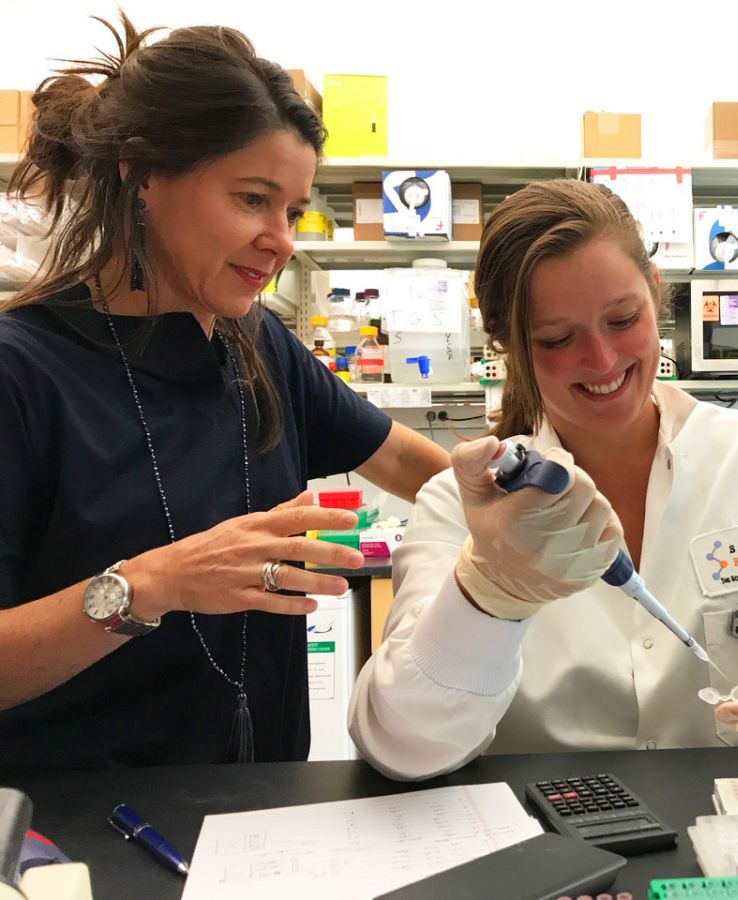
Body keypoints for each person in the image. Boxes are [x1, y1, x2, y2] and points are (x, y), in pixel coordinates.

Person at [349, 179, 738, 780]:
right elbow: (400, 745)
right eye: (557, 338)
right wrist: (489, 594)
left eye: (622, 320)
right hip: (549, 859)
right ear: (509, 344)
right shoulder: (460, 507)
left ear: (655, 291)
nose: (602, 360)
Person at [0, 15, 449, 770]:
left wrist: (527, 506)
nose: (282, 238)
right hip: (77, 841)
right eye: (252, 199)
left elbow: (419, 469)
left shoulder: (258, 346)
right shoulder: (23, 374)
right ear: (141, 174)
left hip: (262, 809)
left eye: (293, 210)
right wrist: (152, 584)